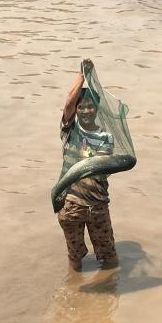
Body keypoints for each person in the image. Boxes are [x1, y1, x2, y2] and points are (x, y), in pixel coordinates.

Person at [57, 59, 119, 272]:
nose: (85, 110)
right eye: (81, 106)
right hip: (72, 205)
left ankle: (109, 294)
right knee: (74, 259)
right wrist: (82, 74)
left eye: (90, 105)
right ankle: (75, 294)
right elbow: (68, 103)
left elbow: (101, 166)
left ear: (97, 109)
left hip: (98, 204)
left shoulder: (105, 137)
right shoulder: (69, 132)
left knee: (110, 258)